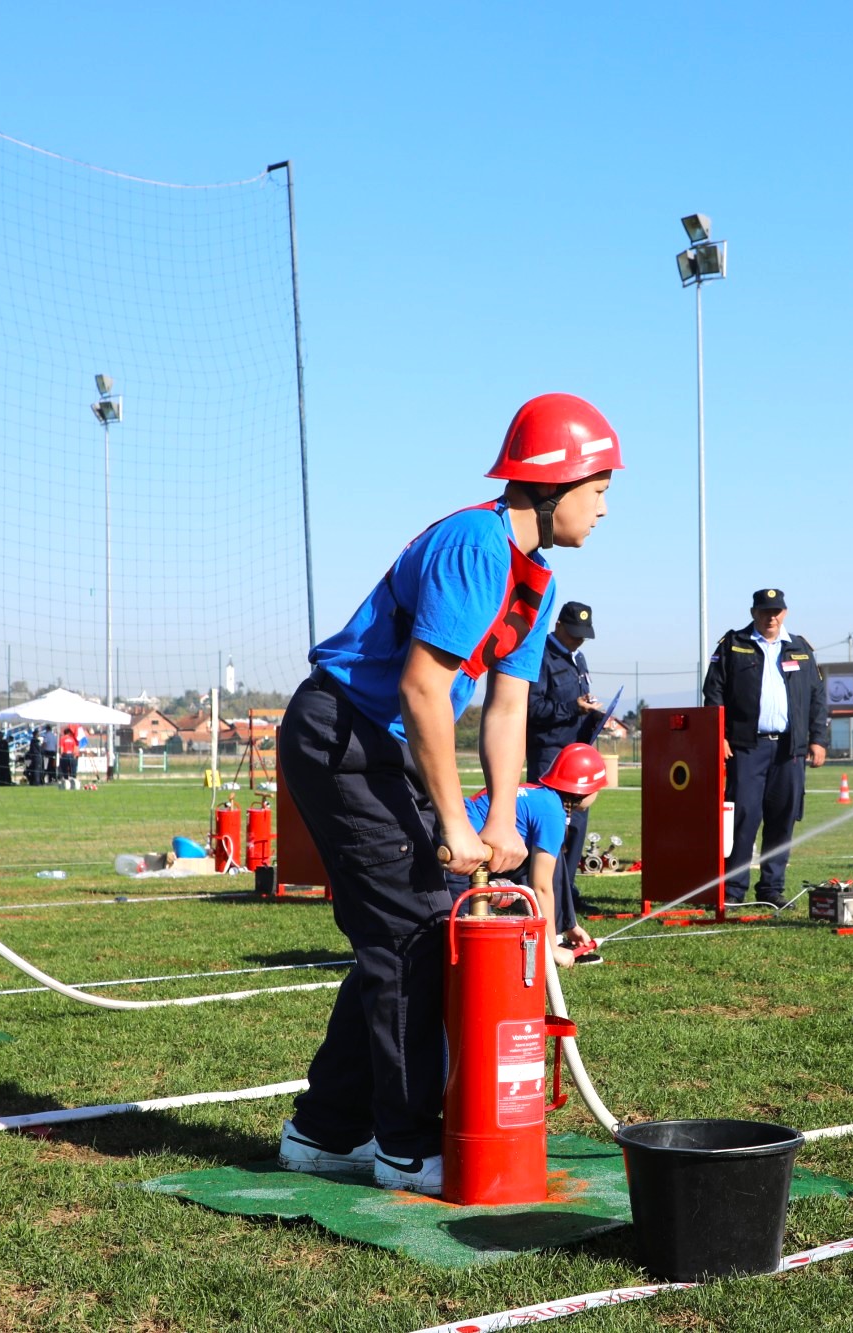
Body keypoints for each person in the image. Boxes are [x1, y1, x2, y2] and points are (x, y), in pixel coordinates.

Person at [274, 391, 620, 1196]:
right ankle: (404, 1144)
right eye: (598, 488)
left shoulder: (535, 577)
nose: (605, 508)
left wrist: (498, 818)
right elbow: (424, 689)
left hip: (385, 746)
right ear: (554, 481)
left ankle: (325, 1131)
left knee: (407, 925)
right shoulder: (476, 545)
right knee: (413, 931)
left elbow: (506, 708)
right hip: (343, 735)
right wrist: (457, 831)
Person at [703, 589, 830, 907]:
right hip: (746, 747)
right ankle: (733, 890)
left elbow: (817, 697)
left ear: (785, 613)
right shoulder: (733, 644)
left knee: (783, 816)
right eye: (764, 611)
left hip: (790, 748)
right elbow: (714, 692)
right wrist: (719, 735)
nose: (770, 617)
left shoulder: (800, 648)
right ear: (753, 612)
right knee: (744, 816)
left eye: (776, 611)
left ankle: (772, 889)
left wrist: (818, 739)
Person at [448, 743, 605, 966]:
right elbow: (541, 886)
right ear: (586, 789)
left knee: (552, 860)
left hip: (458, 841)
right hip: (462, 858)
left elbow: (552, 875)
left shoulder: (540, 795)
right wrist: (552, 950)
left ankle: (562, 928)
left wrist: (571, 926)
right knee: (463, 955)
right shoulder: (552, 813)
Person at [527, 600, 600, 922]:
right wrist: (574, 707)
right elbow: (531, 708)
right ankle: (549, 904)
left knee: (576, 829)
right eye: (573, 634)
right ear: (558, 626)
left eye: (583, 635)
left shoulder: (577, 657)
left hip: (576, 755)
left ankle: (567, 899)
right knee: (552, 830)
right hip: (550, 756)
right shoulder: (539, 656)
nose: (578, 640)